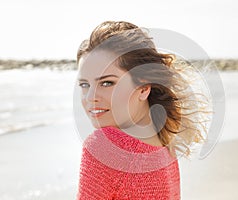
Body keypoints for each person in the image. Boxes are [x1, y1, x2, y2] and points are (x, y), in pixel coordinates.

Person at [75, 21, 209, 199]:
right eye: (84, 84)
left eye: (107, 83)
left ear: (144, 88)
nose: (90, 97)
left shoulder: (105, 146)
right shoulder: (166, 148)